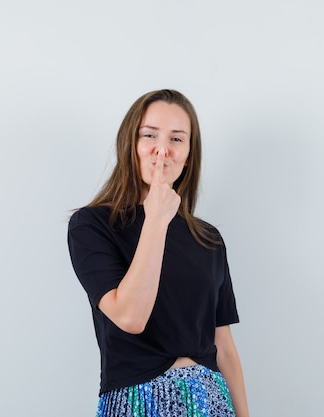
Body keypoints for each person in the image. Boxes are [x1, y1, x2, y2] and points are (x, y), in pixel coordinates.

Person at [68, 89, 249, 417]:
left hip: (211, 402)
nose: (162, 149)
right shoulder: (92, 225)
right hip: (137, 402)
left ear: (189, 154)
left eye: (177, 139)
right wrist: (156, 217)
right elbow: (130, 316)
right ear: (130, 144)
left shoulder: (208, 239)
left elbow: (223, 345)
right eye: (149, 135)